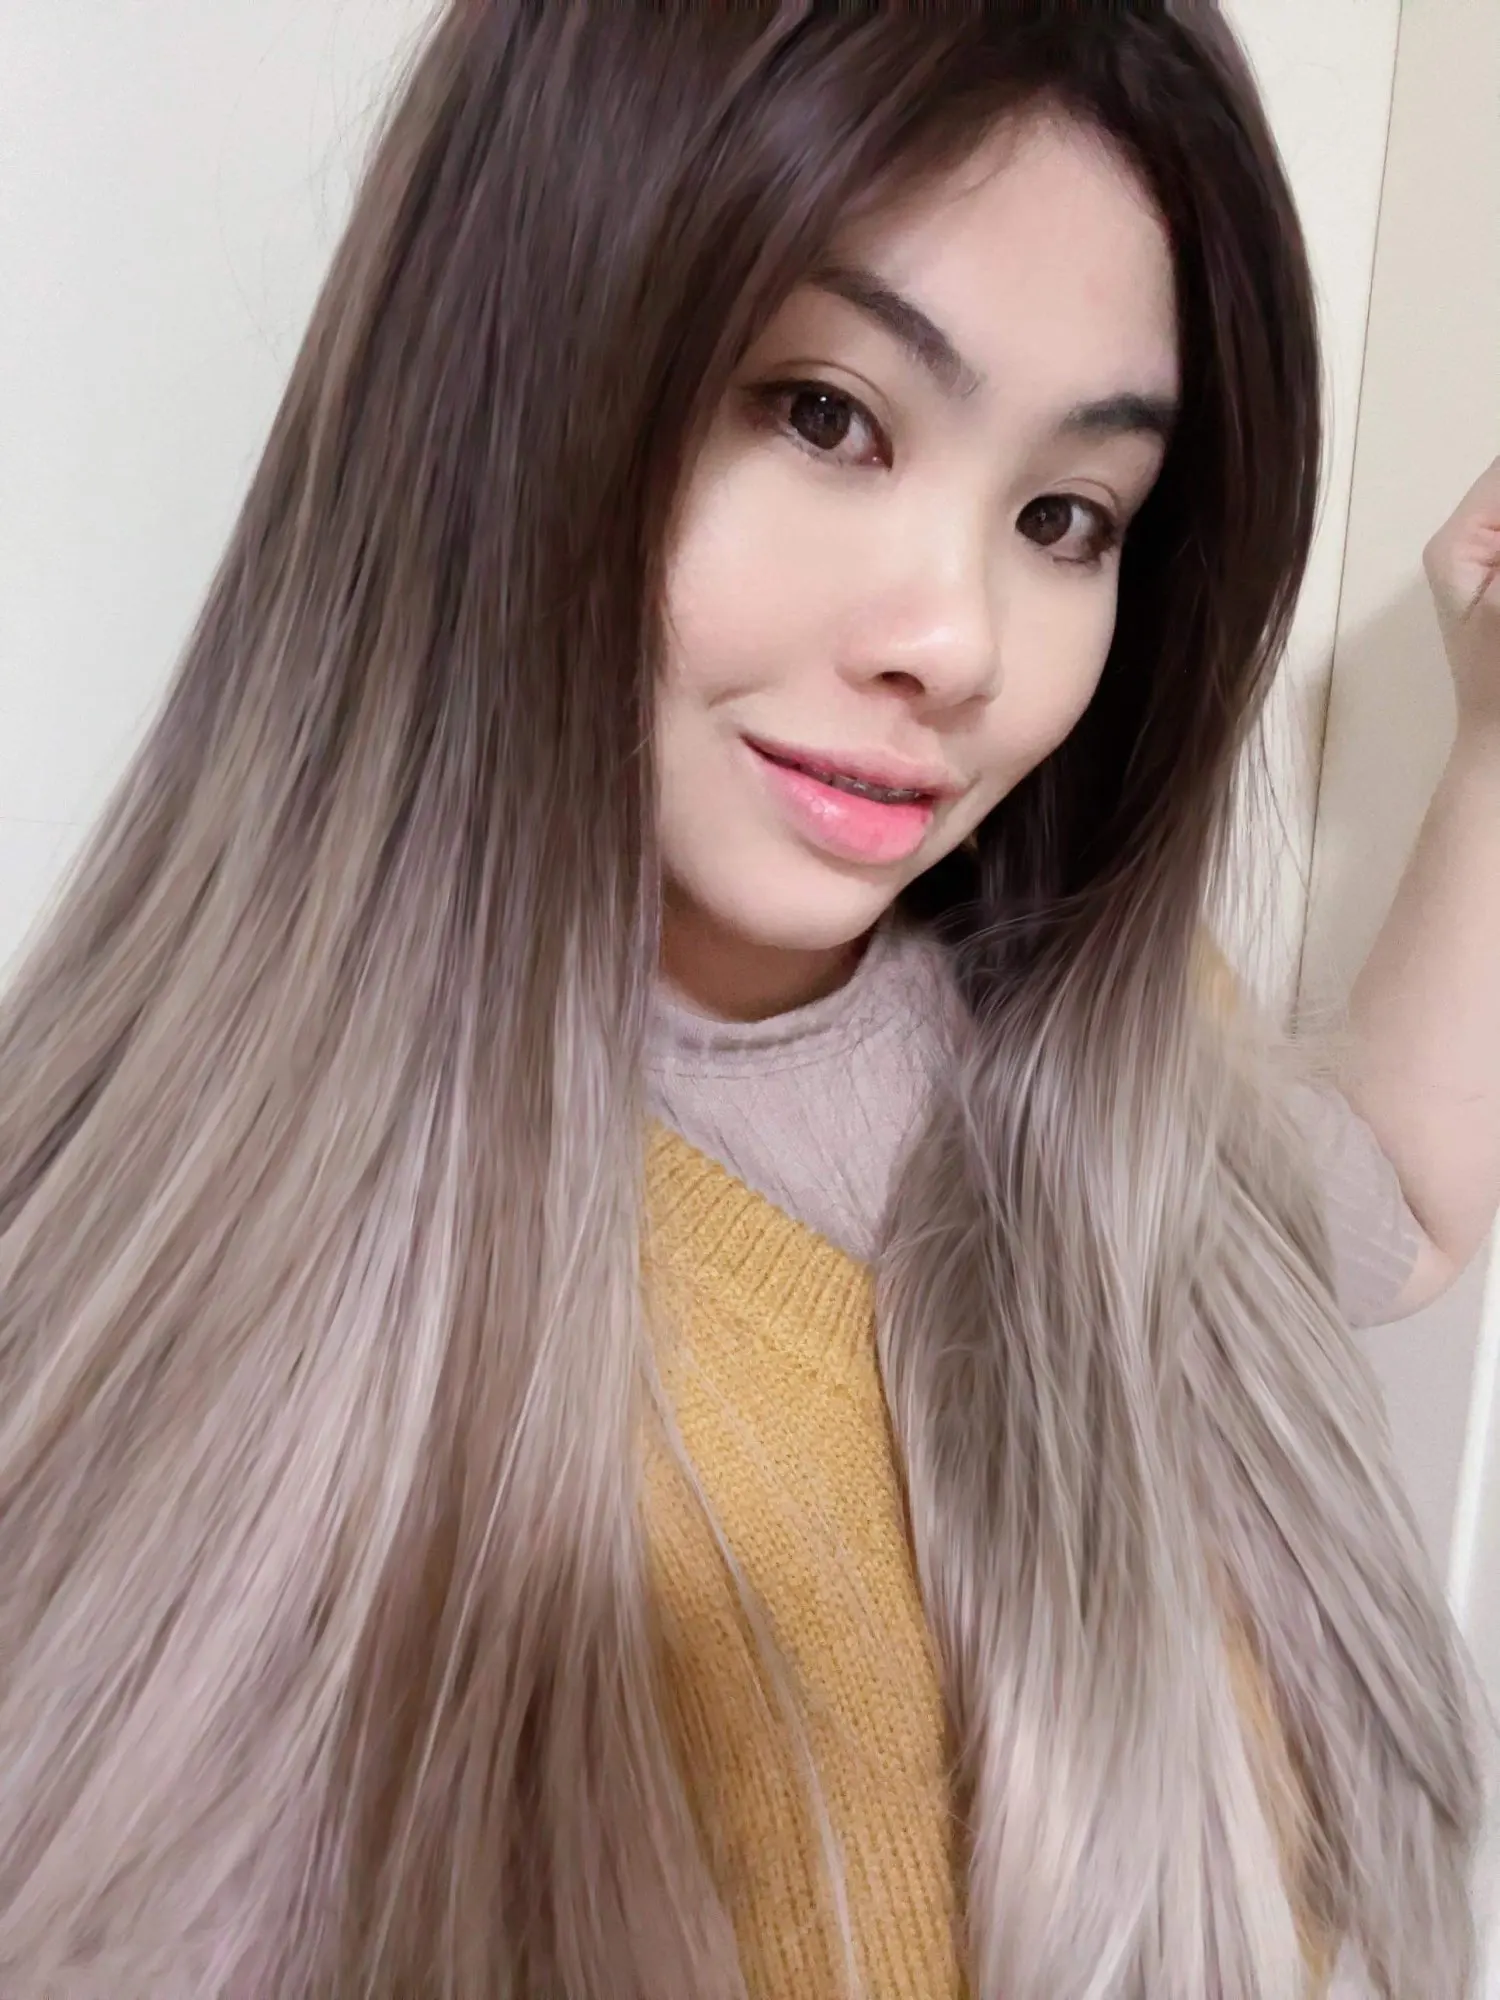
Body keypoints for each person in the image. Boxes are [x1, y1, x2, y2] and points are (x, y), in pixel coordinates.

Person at [0, 7, 1494, 1996]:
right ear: (509, 386)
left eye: (1067, 515)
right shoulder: (260, 1378)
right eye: (824, 413)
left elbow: (1391, 1198)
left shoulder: (1061, 1050)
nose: (958, 639)